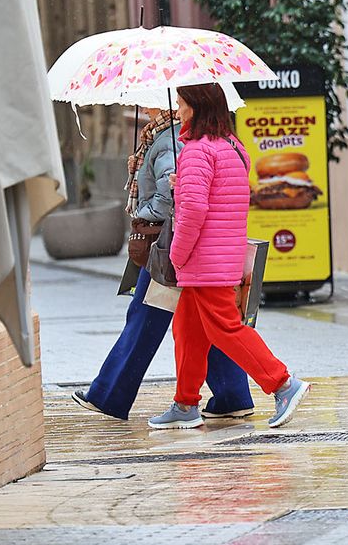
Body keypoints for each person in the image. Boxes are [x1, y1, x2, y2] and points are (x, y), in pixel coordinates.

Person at [71, 106, 254, 421]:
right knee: (200, 321)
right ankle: (231, 395)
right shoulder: (160, 135)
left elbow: (171, 198)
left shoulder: (169, 139)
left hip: (166, 244)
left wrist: (143, 209)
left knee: (144, 319)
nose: (135, 104)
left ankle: (110, 395)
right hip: (173, 244)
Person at [149, 83, 310, 430]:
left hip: (204, 261)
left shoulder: (195, 151)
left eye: (181, 105)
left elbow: (193, 211)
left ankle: (283, 384)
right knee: (188, 330)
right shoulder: (233, 147)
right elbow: (221, 196)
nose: (178, 112)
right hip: (223, 257)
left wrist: (178, 254)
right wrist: (184, 184)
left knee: (225, 329)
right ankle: (185, 403)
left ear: (197, 106)